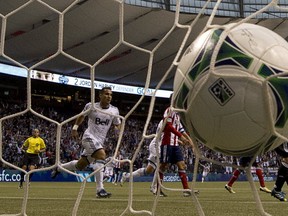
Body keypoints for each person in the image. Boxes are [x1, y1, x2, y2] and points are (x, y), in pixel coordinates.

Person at [51, 87, 121, 198]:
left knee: (80, 165)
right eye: (106, 94)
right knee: (101, 156)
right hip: (88, 137)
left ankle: (58, 168)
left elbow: (117, 124)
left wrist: (118, 131)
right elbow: (82, 116)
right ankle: (100, 189)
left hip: (99, 142)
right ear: (100, 95)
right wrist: (74, 128)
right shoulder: (91, 106)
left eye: (111, 95)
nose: (109, 96)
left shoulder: (114, 110)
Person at [157, 95, 197, 197]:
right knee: (163, 166)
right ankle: (157, 189)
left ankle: (186, 190)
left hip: (175, 145)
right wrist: (181, 137)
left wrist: (189, 139)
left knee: (182, 165)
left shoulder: (178, 114)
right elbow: (168, 126)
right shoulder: (169, 110)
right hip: (167, 143)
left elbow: (181, 129)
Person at [120, 120, 164, 195]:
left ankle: (127, 176)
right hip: (156, 145)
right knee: (161, 165)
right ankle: (155, 187)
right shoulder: (164, 121)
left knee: (148, 171)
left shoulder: (172, 121)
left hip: (160, 146)